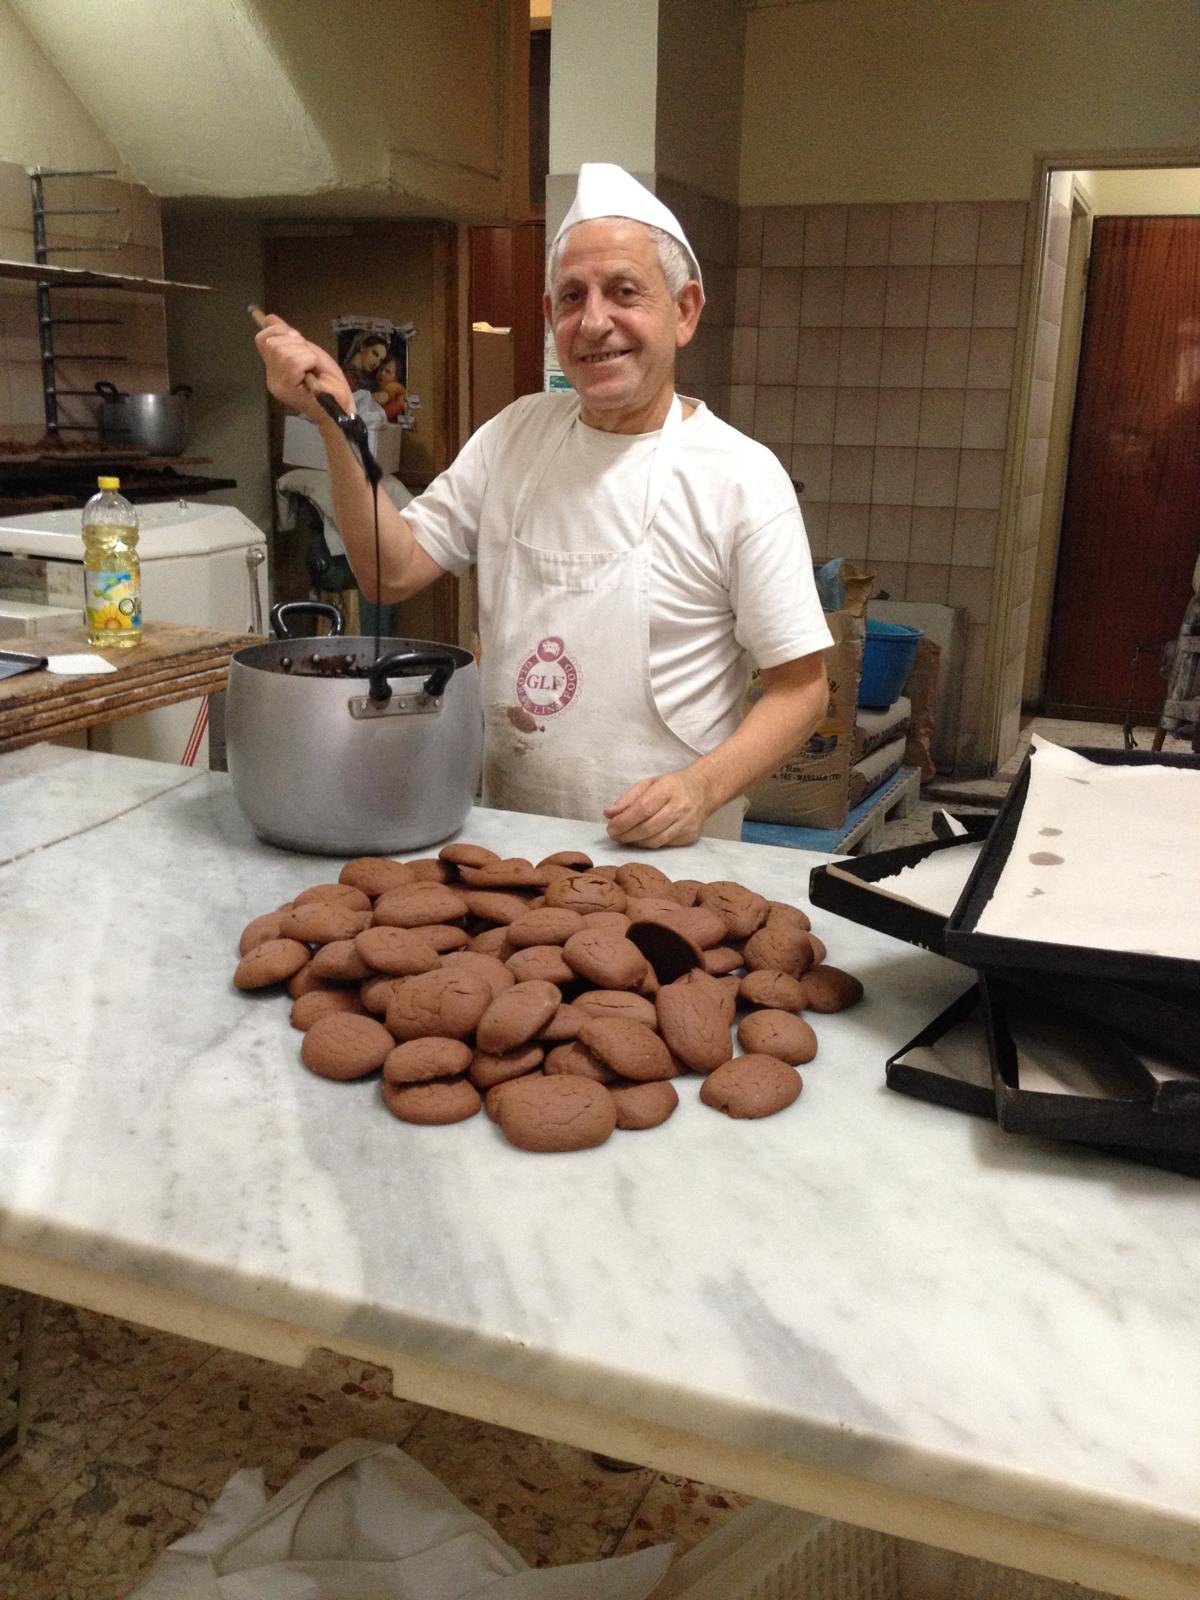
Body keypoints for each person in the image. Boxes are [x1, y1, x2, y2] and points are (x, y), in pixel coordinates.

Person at [256, 163, 832, 848]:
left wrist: (699, 789)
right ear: (548, 315)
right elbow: (390, 570)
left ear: (684, 311)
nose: (594, 322)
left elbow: (801, 689)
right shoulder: (515, 436)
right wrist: (335, 421)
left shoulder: (739, 476)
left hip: (676, 862)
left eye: (624, 292)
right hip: (511, 846)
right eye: (571, 296)